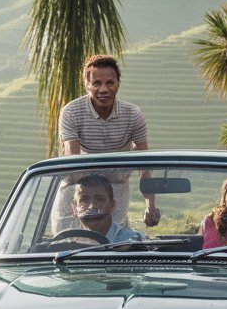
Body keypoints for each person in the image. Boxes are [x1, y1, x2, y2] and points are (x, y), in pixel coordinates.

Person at [58, 54, 160, 227]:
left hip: (115, 187)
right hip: (76, 188)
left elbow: (145, 164)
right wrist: (78, 204)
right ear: (87, 85)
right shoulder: (71, 113)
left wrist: (150, 206)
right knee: (66, 241)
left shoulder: (133, 115)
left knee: (112, 243)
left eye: (109, 83)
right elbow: (72, 162)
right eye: (97, 83)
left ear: (118, 84)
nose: (103, 89)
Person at [70, 174, 144, 243]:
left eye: (99, 199)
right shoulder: (65, 244)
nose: (91, 207)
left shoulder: (133, 241)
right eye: (84, 200)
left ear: (112, 205)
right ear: (74, 208)